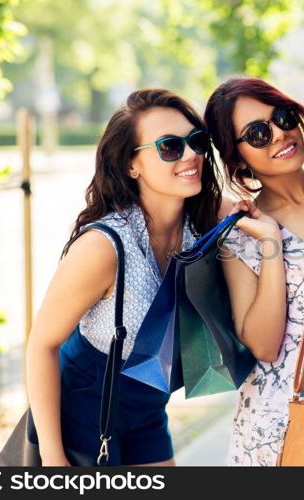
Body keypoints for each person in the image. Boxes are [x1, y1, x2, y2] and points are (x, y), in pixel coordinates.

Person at [26, 88, 222, 466]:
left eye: (196, 142)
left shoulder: (199, 226)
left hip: (148, 407)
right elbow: (41, 345)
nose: (191, 155)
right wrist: (53, 458)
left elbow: (271, 200)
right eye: (169, 147)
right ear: (132, 165)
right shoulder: (103, 247)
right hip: (83, 411)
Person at [205, 77, 304, 466]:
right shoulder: (241, 235)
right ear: (237, 158)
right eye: (258, 133)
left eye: (282, 117)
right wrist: (271, 245)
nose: (279, 134)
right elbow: (264, 345)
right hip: (283, 426)